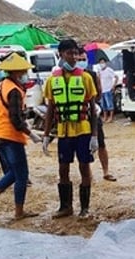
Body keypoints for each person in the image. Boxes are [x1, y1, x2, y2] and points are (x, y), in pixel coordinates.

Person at [41, 39, 99, 218]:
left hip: (83, 130)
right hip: (63, 132)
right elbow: (51, 109)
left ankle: (84, 208)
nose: (73, 57)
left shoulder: (86, 77)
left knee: (84, 167)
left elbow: (92, 109)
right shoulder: (53, 80)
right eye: (69, 53)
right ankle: (65, 207)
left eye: (75, 54)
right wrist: (45, 135)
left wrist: (95, 136)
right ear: (61, 54)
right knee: (63, 168)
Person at [0, 53, 42, 220]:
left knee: (13, 172)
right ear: (17, 72)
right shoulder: (14, 90)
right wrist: (30, 133)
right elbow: (15, 119)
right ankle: (18, 211)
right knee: (21, 174)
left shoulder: (2, 85)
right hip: (10, 136)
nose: (26, 73)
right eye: (24, 70)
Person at [80, 50, 116, 182]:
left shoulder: (92, 74)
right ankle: (88, 173)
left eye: (84, 59)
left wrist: (93, 102)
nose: (82, 62)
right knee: (83, 145)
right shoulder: (71, 76)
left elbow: (99, 92)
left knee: (101, 143)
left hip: (93, 112)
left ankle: (106, 171)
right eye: (79, 59)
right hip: (79, 115)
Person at [96, 57, 118, 124]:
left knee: (109, 104)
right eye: (100, 63)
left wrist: (113, 86)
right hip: (102, 90)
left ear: (105, 63)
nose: (102, 64)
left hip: (108, 90)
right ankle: (105, 117)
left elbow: (116, 77)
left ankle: (111, 117)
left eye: (103, 62)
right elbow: (99, 80)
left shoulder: (109, 70)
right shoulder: (99, 71)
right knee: (103, 105)